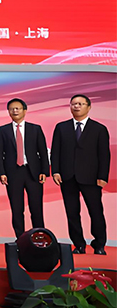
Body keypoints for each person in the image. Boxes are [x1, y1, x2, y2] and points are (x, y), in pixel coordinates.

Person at [51, 94, 109, 255]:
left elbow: (104, 155)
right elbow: (55, 151)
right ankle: (79, 245)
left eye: (80, 104)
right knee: (72, 213)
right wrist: (55, 171)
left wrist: (103, 176)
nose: (76, 106)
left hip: (91, 178)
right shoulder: (61, 127)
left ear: (88, 107)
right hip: (67, 176)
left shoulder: (99, 129)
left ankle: (99, 244)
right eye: (74, 104)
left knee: (96, 212)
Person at [0, 98, 49, 238]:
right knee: (17, 209)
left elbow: (43, 152)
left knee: (36, 208)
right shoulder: (3, 130)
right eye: (12, 109)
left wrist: (44, 171)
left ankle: (39, 237)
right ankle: (20, 239)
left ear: (25, 111)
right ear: (8, 112)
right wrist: (1, 173)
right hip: (13, 173)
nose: (15, 111)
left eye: (18, 108)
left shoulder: (35, 129)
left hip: (33, 172)